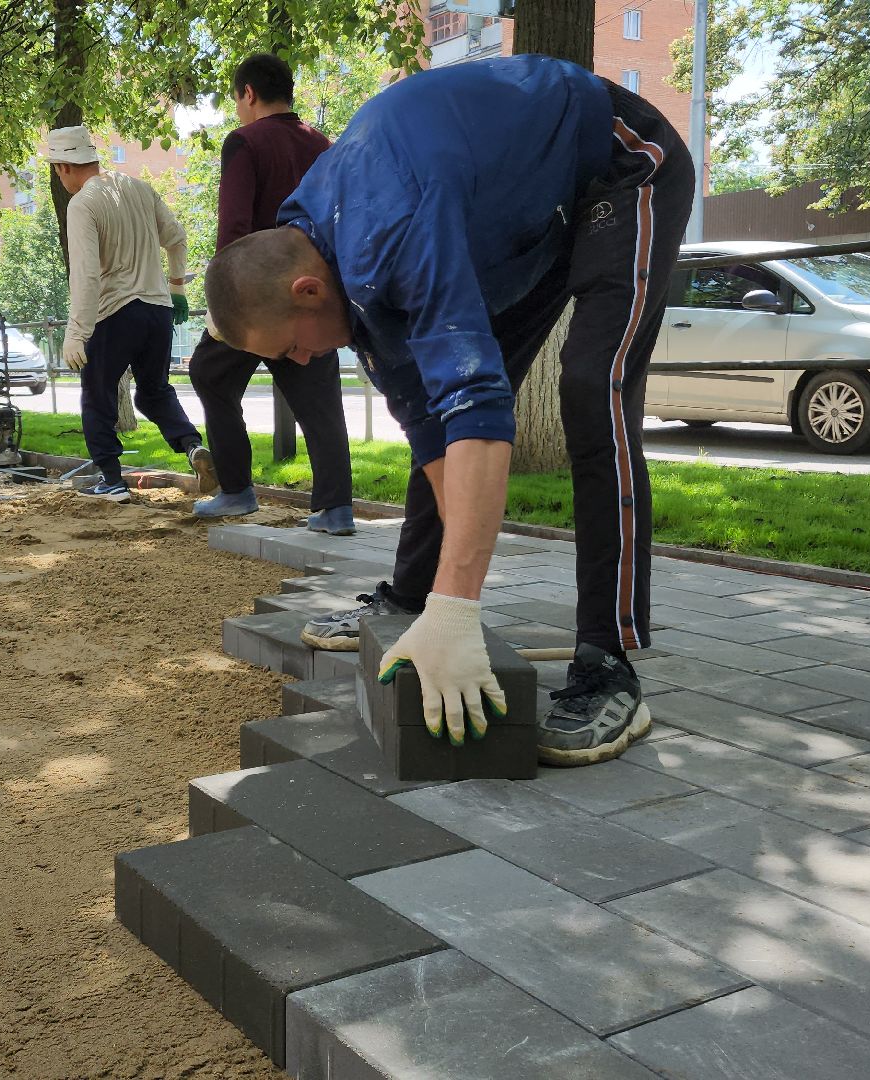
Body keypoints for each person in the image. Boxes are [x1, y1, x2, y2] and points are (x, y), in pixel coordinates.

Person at [202, 56, 693, 767]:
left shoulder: (395, 228)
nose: (300, 363)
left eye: (291, 349)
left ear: (309, 292)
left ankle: (607, 660)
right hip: (513, 221)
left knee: (592, 389)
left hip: (617, 164)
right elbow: (434, 431)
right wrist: (446, 601)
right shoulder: (321, 239)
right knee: (435, 410)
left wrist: (461, 610)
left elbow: (479, 411)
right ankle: (412, 596)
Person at [188, 53, 356, 536]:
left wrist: (224, 304)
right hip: (312, 293)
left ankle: (237, 491)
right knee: (320, 395)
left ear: (248, 93)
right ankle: (334, 507)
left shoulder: (244, 142)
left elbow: (235, 229)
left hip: (258, 295)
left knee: (209, 373)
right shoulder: (321, 144)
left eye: (236, 98)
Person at [46, 125, 217, 502]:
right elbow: (177, 237)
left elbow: (88, 274)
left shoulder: (83, 204)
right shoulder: (138, 187)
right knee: (153, 392)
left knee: (97, 394)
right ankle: (192, 446)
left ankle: (111, 479)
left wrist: (76, 332)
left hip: (115, 312)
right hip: (157, 312)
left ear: (63, 168)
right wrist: (176, 288)